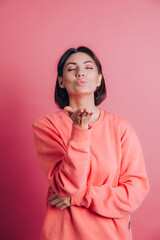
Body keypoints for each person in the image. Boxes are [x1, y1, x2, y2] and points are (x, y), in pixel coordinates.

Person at [32, 46, 150, 240]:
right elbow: (66, 187)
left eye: (88, 67)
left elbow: (135, 192)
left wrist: (80, 197)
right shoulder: (47, 125)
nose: (80, 72)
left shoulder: (121, 127)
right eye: (71, 68)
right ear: (61, 81)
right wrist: (79, 130)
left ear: (99, 79)